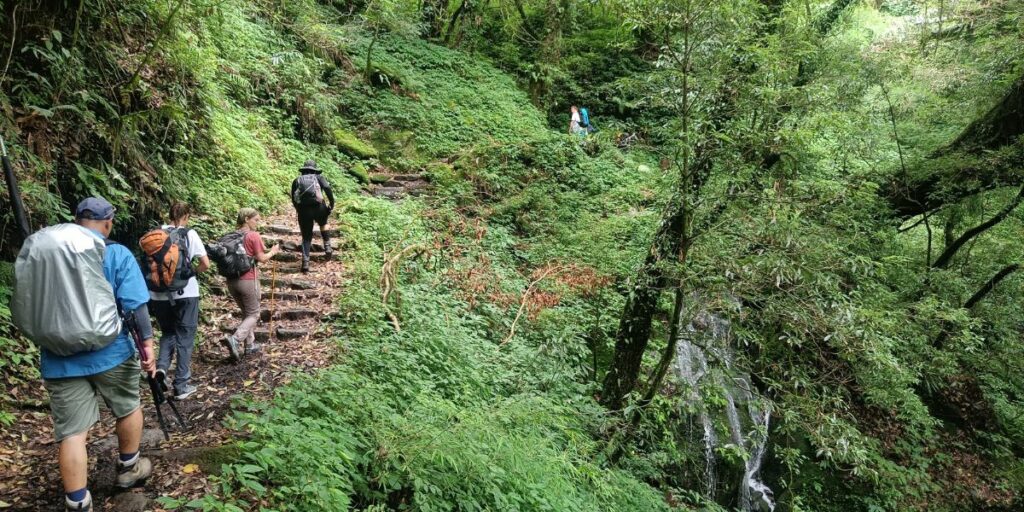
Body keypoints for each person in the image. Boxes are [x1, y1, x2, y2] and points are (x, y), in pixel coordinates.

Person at [41, 197, 155, 512]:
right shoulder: (116, 253)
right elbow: (135, 306)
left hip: (59, 357)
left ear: (76, 221)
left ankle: (78, 502)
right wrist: (148, 347)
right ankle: (129, 469)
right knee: (128, 407)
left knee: (73, 433)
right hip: (112, 352)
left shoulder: (50, 256)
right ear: (108, 223)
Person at [148, 201, 210, 401]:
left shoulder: (157, 234)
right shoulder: (188, 234)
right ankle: (181, 385)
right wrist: (190, 273)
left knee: (167, 333)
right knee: (185, 337)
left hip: (158, 294)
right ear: (186, 216)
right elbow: (205, 264)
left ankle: (161, 371)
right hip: (185, 293)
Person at [221, 208, 280, 360]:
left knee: (247, 313)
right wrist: (273, 252)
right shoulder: (253, 236)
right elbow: (262, 258)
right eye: (256, 220)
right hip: (247, 279)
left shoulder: (231, 236)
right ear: (246, 219)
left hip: (231, 281)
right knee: (254, 313)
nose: (257, 224)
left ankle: (250, 345)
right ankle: (235, 339)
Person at [290, 159, 335, 273]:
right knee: (323, 223)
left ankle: (305, 262)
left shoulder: (297, 180)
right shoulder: (319, 178)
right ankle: (328, 246)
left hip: (304, 211)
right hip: (319, 208)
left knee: (306, 236)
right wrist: (331, 203)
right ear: (314, 170)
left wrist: (298, 210)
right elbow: (328, 189)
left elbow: (294, 199)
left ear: (304, 170)